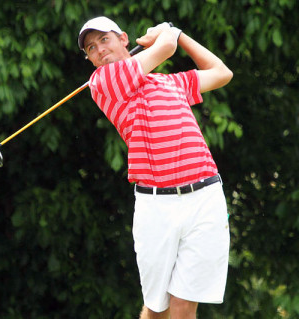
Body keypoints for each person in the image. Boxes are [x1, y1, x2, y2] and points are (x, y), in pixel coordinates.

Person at [78, 16, 233, 319]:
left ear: (123, 39)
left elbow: (221, 73)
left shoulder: (168, 82)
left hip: (205, 197)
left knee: (184, 305)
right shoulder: (103, 83)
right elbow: (164, 49)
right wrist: (166, 33)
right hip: (156, 203)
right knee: (157, 308)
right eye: (91, 48)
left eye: (104, 40)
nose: (99, 49)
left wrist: (180, 34)